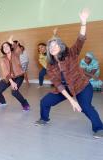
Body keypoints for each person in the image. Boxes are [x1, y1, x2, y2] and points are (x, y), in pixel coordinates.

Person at [35, 9, 103, 138]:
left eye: (55, 45)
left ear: (61, 46)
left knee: (85, 106)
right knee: (45, 101)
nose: (53, 47)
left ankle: (99, 128)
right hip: (64, 88)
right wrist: (72, 101)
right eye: (50, 46)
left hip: (80, 85)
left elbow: (80, 40)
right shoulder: (50, 65)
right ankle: (44, 118)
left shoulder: (71, 53)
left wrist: (83, 22)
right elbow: (58, 85)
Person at [0, 36, 30, 111]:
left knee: (14, 91)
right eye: (4, 47)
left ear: (10, 47)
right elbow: (5, 71)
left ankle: (25, 104)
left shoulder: (16, 53)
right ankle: (2, 102)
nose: (5, 48)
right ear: (2, 50)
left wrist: (11, 42)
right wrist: (11, 82)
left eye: (7, 46)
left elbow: (18, 48)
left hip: (19, 76)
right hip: (9, 77)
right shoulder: (3, 59)